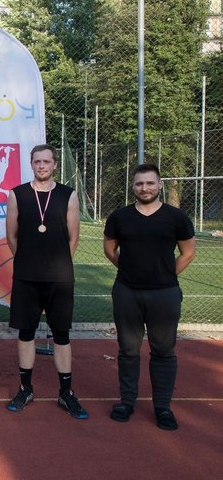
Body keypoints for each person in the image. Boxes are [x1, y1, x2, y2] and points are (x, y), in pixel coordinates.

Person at [104, 164, 196, 431]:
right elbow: (109, 249)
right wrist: (128, 270)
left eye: (150, 183)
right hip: (127, 292)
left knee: (163, 351)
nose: (144, 188)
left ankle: (162, 407)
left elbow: (188, 252)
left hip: (165, 294)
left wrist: (166, 274)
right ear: (133, 186)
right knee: (128, 349)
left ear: (160, 185)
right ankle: (127, 402)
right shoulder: (119, 217)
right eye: (139, 184)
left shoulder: (176, 217)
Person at [5, 144, 87, 418]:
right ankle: (25, 389)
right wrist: (27, 261)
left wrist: (57, 265)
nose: (42, 166)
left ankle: (66, 393)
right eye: (37, 161)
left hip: (59, 278)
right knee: (26, 333)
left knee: (61, 334)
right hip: (26, 276)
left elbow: (73, 238)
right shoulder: (17, 194)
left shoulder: (68, 194)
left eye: (46, 161)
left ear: (54, 164)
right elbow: (11, 236)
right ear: (31, 164)